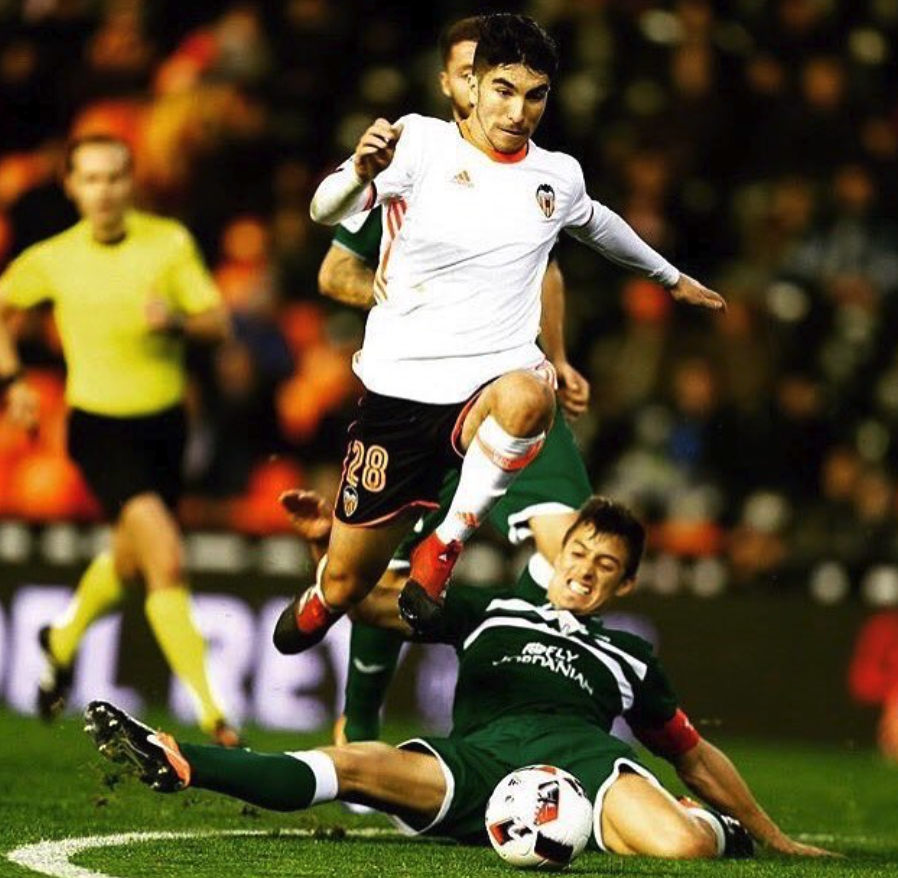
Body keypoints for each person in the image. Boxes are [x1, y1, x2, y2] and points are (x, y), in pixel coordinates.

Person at [282, 13, 726, 653]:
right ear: (474, 83)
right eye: (504, 90)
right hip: (400, 397)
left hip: (488, 388)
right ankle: (327, 589)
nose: (519, 111)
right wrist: (357, 168)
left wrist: (671, 277)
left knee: (530, 395)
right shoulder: (420, 143)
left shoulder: (556, 175)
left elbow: (599, 224)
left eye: (536, 95)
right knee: (353, 583)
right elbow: (325, 211)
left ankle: (446, 545)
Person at [84, 497, 831, 860]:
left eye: (606, 566)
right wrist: (331, 561)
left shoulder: (630, 657)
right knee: (354, 765)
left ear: (624, 586)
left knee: (683, 851)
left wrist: (769, 835)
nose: (585, 569)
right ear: (558, 552)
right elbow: (375, 606)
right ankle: (187, 761)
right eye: (579, 552)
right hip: (480, 758)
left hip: (587, 763)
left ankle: (717, 831)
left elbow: (691, 752)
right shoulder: (490, 608)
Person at [308, 15, 592, 745]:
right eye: (475, 76)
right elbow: (335, 270)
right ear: (452, 83)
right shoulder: (411, 160)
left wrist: (556, 358)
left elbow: (549, 269)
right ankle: (361, 722)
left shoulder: (537, 175)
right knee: (391, 566)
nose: (495, 96)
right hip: (425, 389)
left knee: (578, 556)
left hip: (511, 390)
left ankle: (535, 709)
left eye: (513, 85)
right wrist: (413, 299)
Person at [0, 134, 239, 745]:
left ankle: (60, 639)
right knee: (165, 558)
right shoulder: (53, 257)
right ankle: (214, 716)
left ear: (131, 183)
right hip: (98, 428)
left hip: (164, 427)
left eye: (114, 178)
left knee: (130, 560)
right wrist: (13, 381)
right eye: (91, 179)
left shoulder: (168, 243)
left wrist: (179, 321)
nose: (104, 192)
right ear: (71, 186)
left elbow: (218, 322)